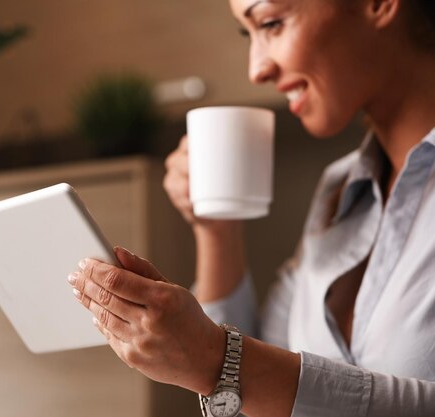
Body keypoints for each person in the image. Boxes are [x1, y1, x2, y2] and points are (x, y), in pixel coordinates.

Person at [68, 0, 435, 415]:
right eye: (248, 34)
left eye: (272, 23)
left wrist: (217, 360)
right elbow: (255, 392)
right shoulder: (338, 192)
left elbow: (248, 372)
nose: (257, 69)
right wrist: (216, 229)